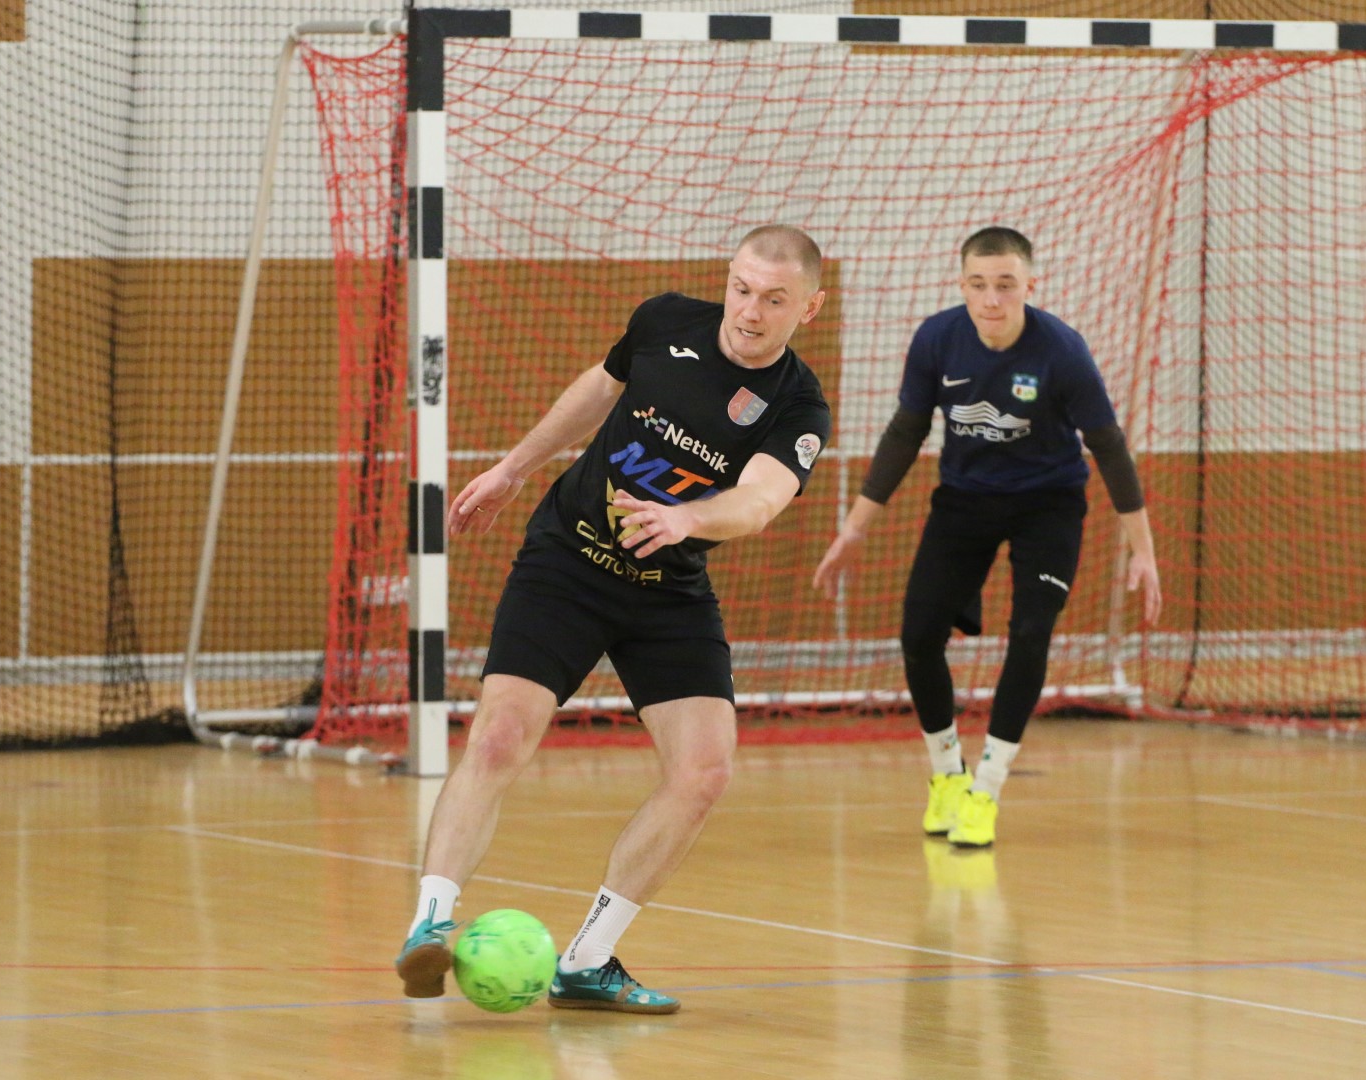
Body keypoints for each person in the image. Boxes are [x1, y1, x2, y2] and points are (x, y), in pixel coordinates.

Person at [397, 225, 831, 1014]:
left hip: (668, 587)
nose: (750, 311)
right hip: (568, 562)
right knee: (499, 735)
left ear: (809, 308)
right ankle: (429, 922)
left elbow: (760, 500)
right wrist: (513, 468)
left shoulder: (798, 407)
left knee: (704, 771)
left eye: (774, 300)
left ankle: (588, 960)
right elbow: (599, 390)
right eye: (741, 289)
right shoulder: (666, 321)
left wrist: (688, 520)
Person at [813, 226, 1160, 850]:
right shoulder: (938, 339)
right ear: (962, 286)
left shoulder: (1062, 351)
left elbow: (1108, 445)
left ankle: (987, 790)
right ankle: (948, 775)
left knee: (1030, 631)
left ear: (1030, 286)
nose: (991, 299)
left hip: (1048, 505)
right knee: (919, 634)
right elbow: (905, 432)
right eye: (978, 285)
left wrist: (1143, 549)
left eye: (1005, 285)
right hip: (965, 501)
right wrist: (854, 529)